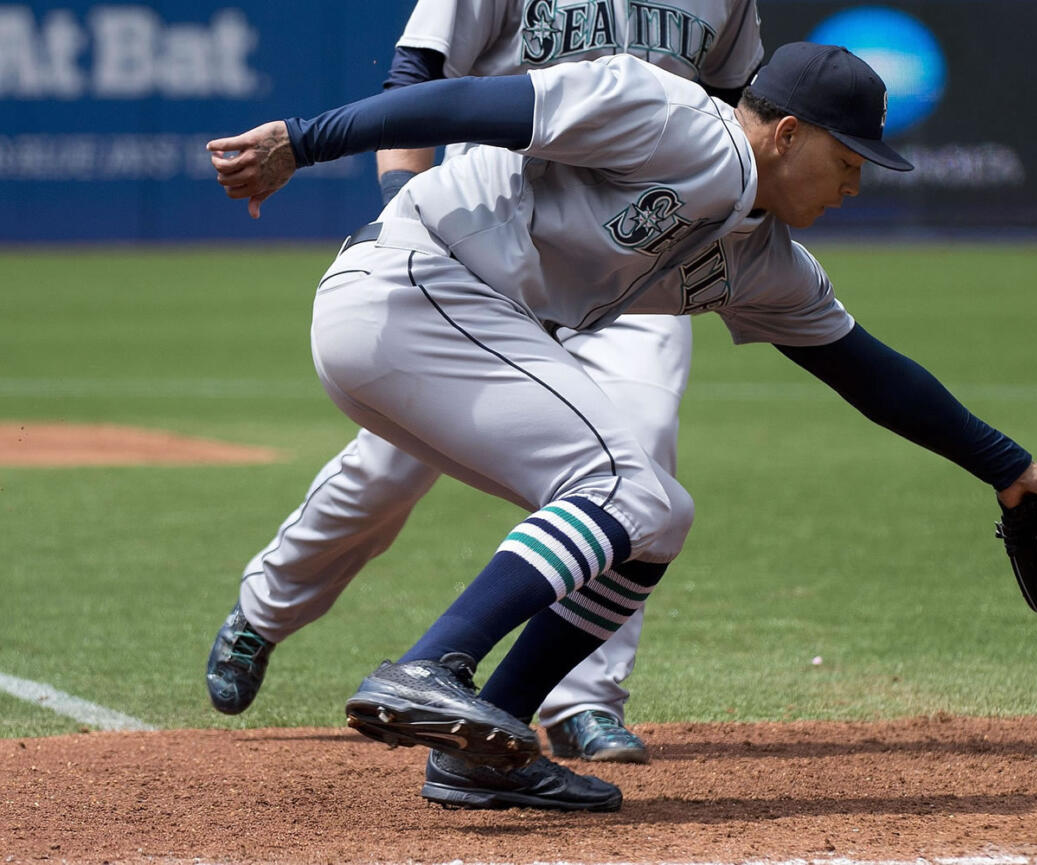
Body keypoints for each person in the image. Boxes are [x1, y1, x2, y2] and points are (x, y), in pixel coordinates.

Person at [207, 43, 1037, 812]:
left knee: (659, 516)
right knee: (621, 485)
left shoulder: (762, 258)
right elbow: (463, 105)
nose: (855, 185)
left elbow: (869, 371)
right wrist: (303, 139)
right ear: (789, 134)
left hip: (434, 329)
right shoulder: (666, 114)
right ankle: (430, 665)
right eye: (848, 159)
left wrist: (1013, 470)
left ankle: (485, 751)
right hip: (407, 284)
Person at [204, 0, 765, 766]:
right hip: (488, 232)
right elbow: (421, 77)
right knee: (388, 469)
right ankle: (264, 610)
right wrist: (404, 208)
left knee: (637, 462)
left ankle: (583, 699)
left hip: (639, 247)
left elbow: (745, 107)